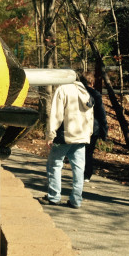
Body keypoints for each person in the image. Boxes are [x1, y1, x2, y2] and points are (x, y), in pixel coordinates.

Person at [41, 76, 94, 208]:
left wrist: (50, 135)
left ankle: (54, 197)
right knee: (79, 169)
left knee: (54, 165)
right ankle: (76, 200)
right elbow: (90, 116)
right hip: (81, 136)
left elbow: (56, 115)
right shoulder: (86, 92)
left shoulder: (62, 89)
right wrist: (89, 133)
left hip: (63, 136)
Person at [79, 72, 108, 182]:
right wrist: (104, 131)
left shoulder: (77, 93)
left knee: (79, 150)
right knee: (89, 152)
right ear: (92, 82)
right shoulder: (95, 94)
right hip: (93, 127)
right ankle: (87, 174)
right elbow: (101, 113)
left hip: (79, 126)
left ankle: (80, 172)